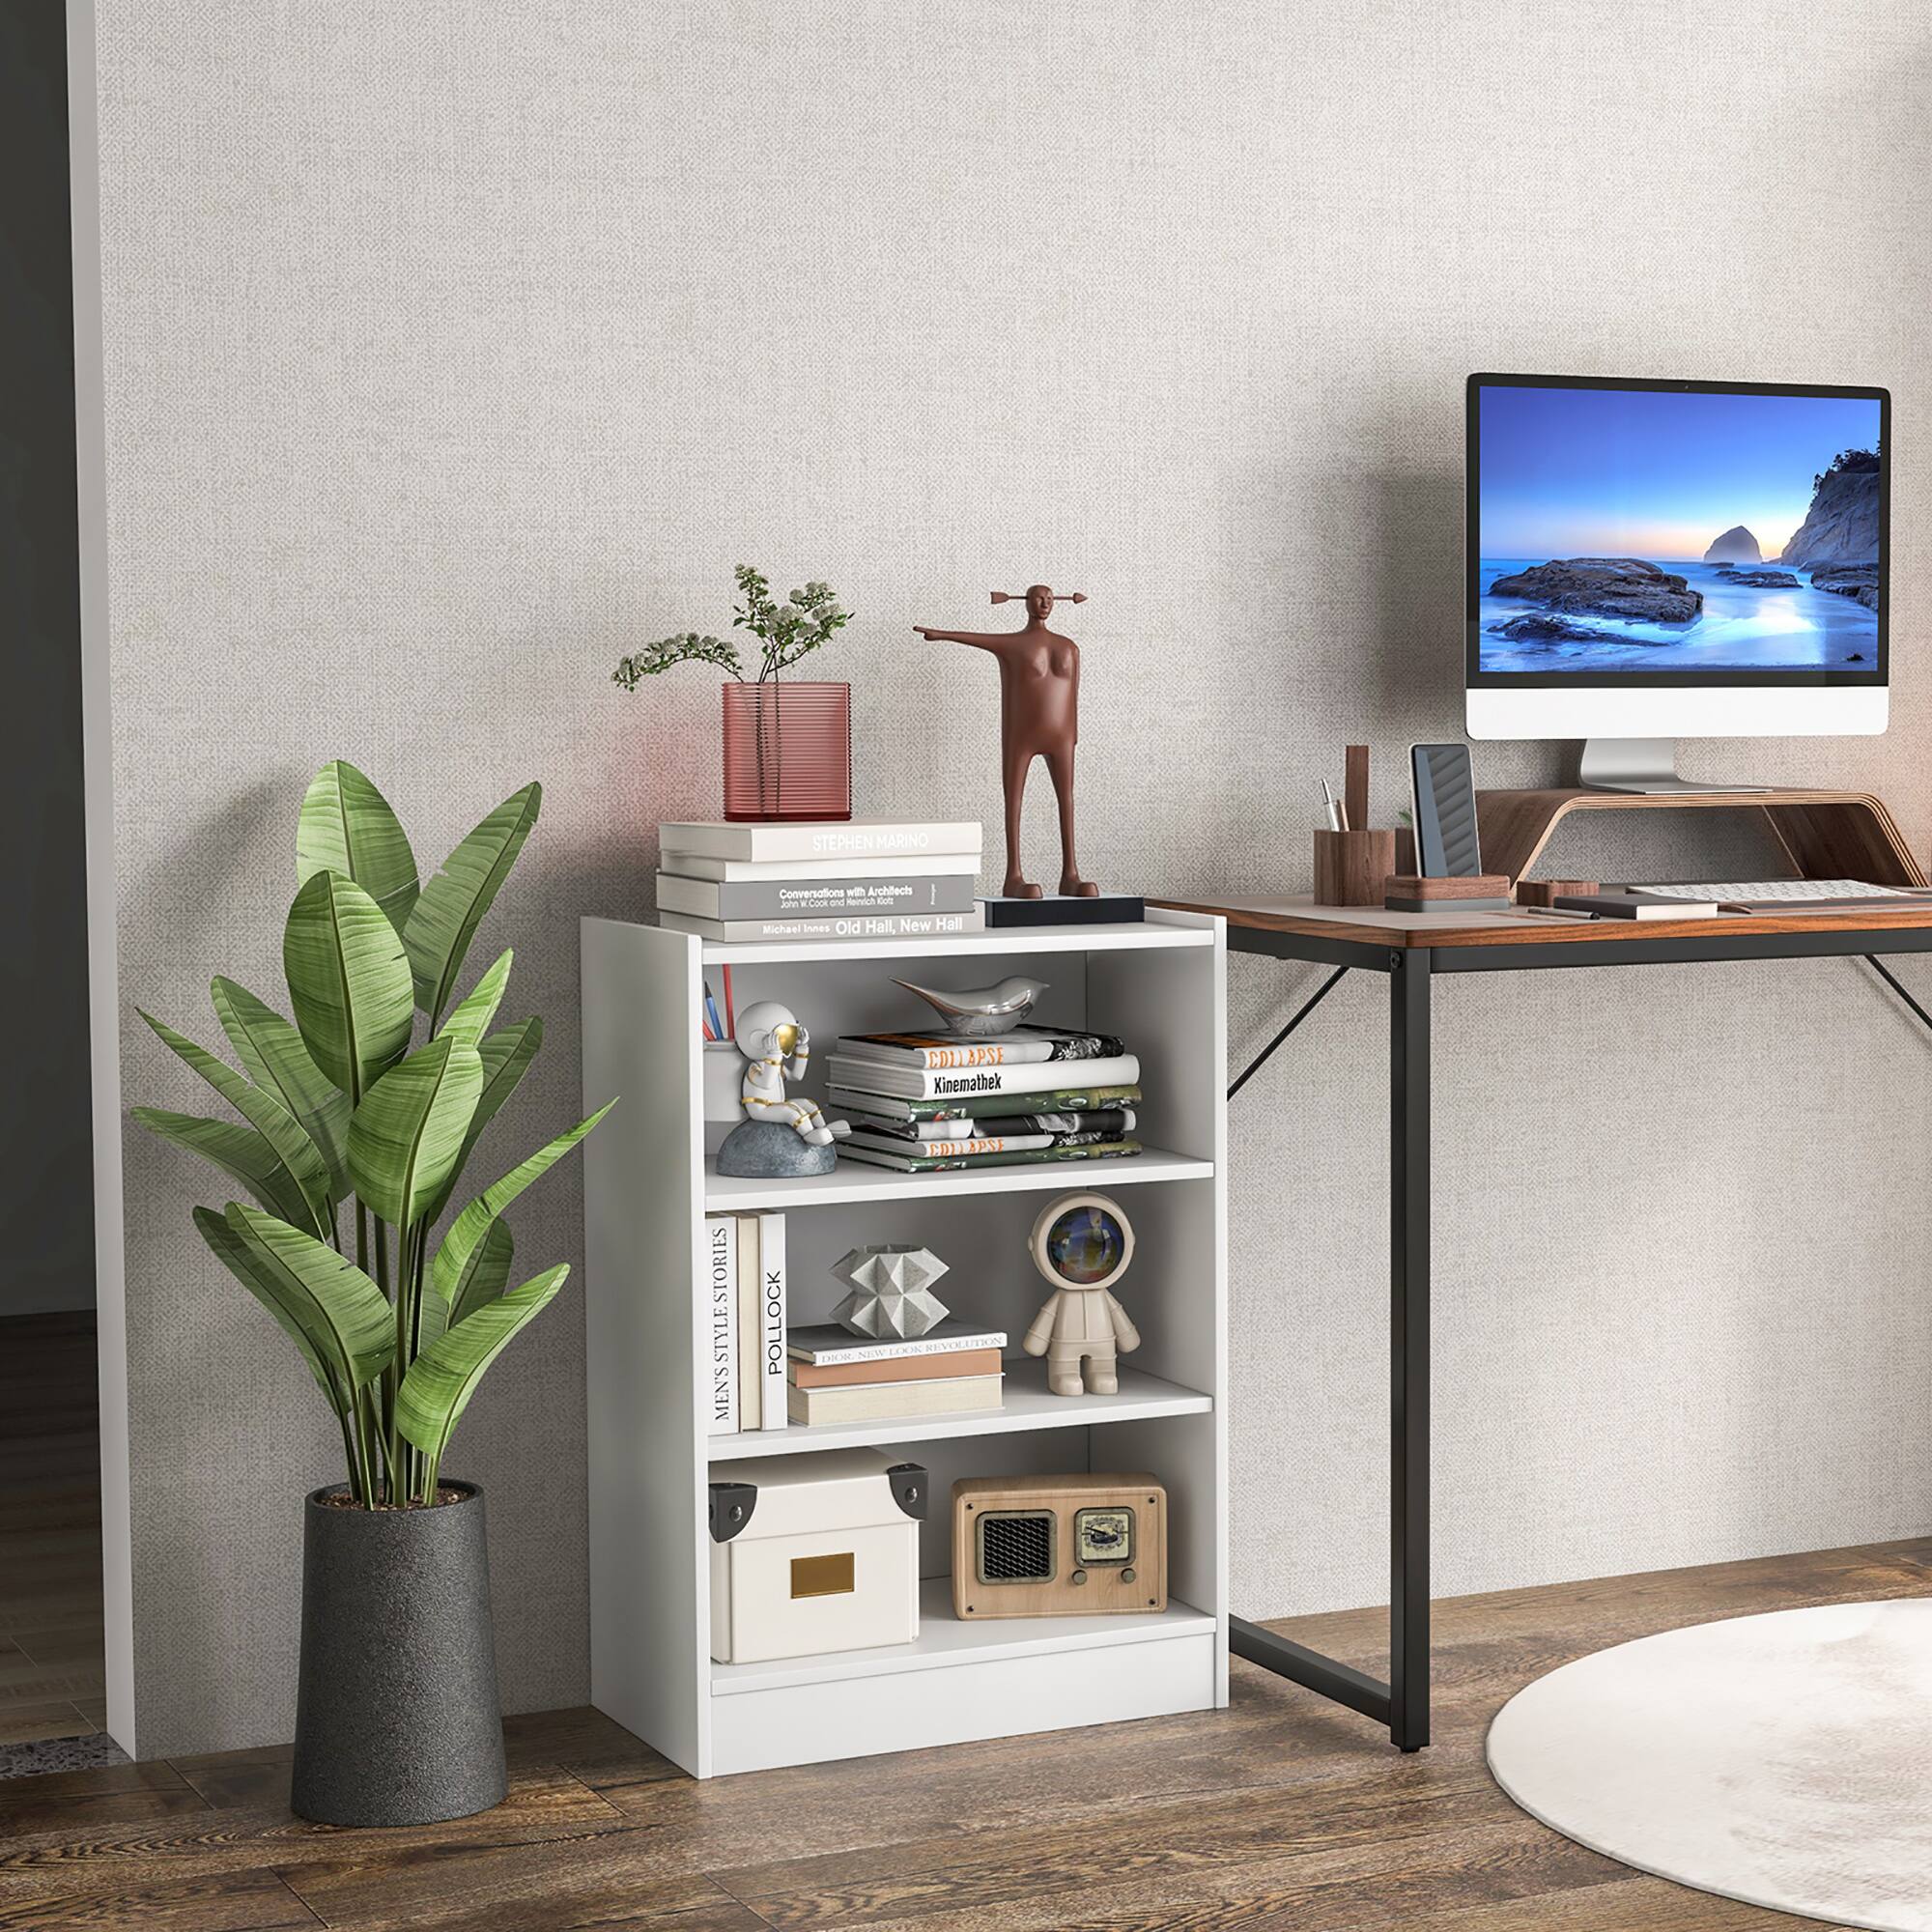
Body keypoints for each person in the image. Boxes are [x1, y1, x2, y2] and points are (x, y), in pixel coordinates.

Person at [915, 585, 1098, 900]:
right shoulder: (1014, 644)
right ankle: (1014, 875)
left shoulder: (1069, 647)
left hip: (1062, 736)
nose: (1045, 603)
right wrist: (942, 634)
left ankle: (1070, 874)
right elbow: (979, 639)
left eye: (1049, 599)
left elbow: (1074, 694)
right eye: (1039, 598)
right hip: (1021, 736)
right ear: (1026, 602)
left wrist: (1074, 734)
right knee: (1014, 801)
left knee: (1066, 800)